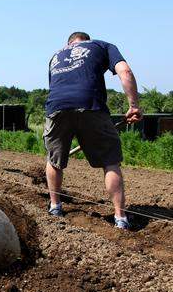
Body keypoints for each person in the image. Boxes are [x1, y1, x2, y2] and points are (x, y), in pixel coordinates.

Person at [44, 32, 142, 230]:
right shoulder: (102, 45)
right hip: (91, 105)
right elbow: (126, 72)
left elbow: (55, 86)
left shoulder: (55, 56)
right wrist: (134, 105)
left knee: (54, 161)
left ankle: (55, 206)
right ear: (86, 40)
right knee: (110, 162)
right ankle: (120, 218)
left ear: (69, 43)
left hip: (56, 107)